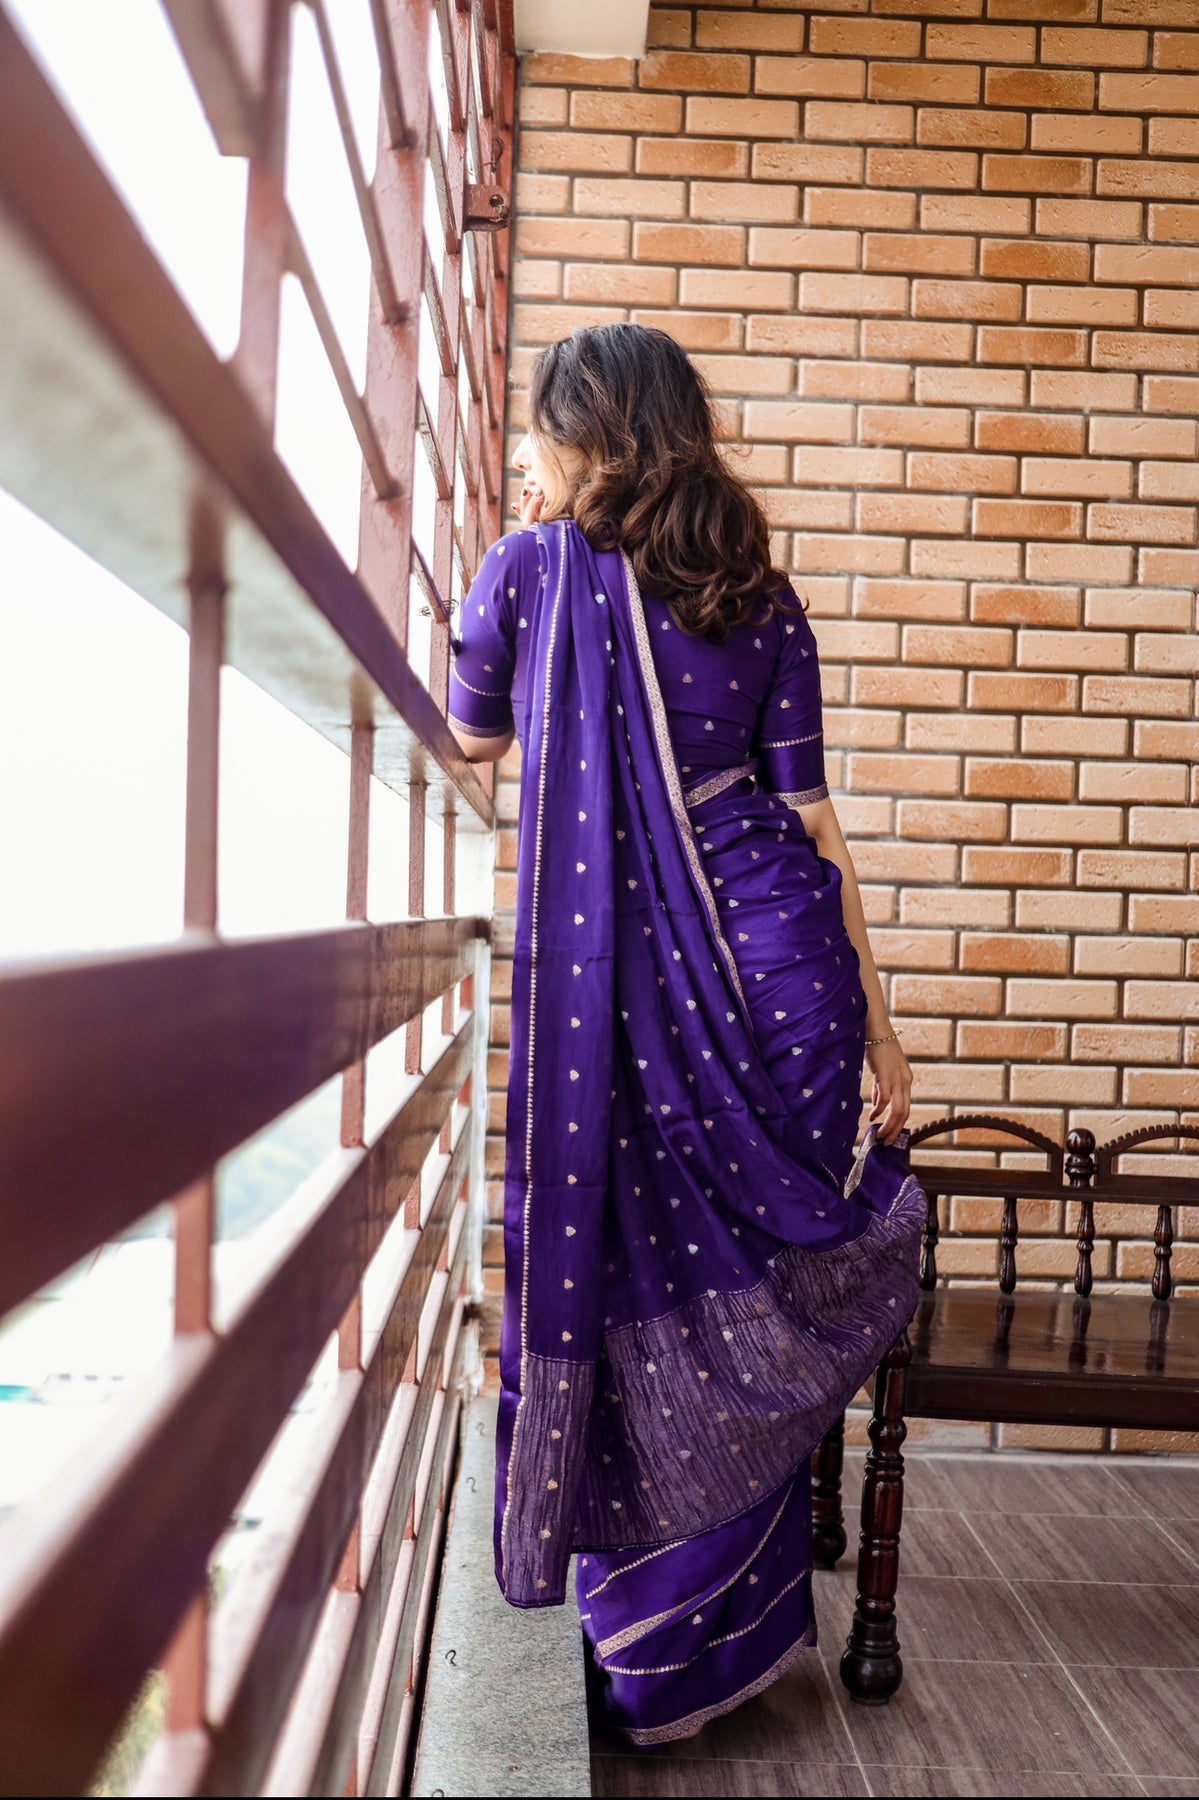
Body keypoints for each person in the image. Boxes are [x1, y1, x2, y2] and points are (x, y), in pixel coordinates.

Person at [447, 323, 924, 1748]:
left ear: (582, 436)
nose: (529, 456)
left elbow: (471, 736)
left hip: (633, 995)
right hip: (790, 978)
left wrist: (522, 547)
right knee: (756, 1294)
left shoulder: (531, 572)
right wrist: (882, 1026)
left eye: (542, 432)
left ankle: (653, 1657)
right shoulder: (759, 593)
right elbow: (813, 824)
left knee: (643, 1269)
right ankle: (704, 1647)